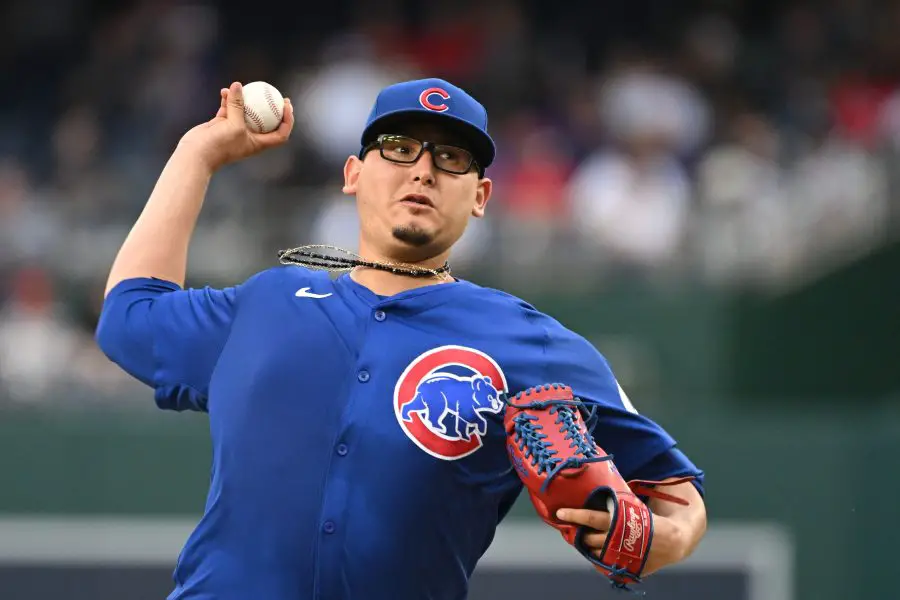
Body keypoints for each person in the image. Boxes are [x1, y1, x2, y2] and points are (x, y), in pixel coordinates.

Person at [96, 78, 707, 600]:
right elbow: (129, 316)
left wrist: (666, 538)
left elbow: (679, 500)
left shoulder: (530, 343)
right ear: (353, 174)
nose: (423, 168)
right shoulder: (265, 304)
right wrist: (196, 154)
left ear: (481, 198)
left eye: (452, 158)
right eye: (399, 147)